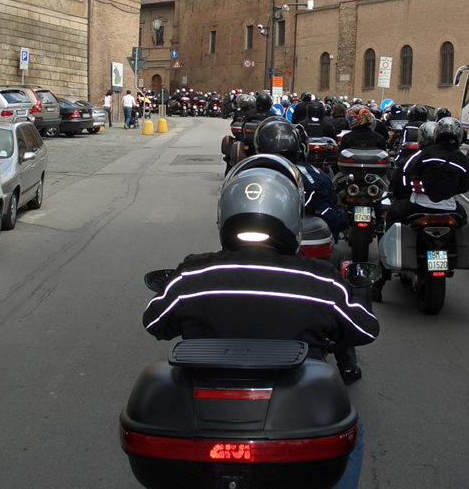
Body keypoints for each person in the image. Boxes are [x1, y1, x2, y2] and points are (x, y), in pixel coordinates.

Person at [143, 154, 379, 488]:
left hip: (205, 419)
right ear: (292, 217)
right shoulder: (319, 280)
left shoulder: (193, 274)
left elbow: (155, 322)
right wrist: (358, 290)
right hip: (295, 417)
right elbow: (365, 328)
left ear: (225, 215)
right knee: (353, 436)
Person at [384, 117, 469, 226]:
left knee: (392, 214)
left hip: (419, 205)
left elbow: (407, 173)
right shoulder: (462, 159)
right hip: (450, 208)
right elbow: (467, 186)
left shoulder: (425, 153)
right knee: (463, 222)